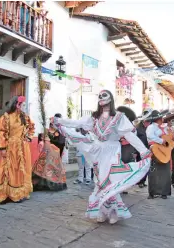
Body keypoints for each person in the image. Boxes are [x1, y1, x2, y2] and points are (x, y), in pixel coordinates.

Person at [52, 90, 151, 224]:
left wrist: (143, 151)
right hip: (98, 151)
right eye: (99, 97)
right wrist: (60, 121)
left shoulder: (119, 117)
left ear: (111, 99)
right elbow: (76, 123)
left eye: (104, 96)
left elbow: (129, 135)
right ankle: (103, 211)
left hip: (113, 150)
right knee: (100, 182)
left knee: (110, 180)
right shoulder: (93, 117)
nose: (101, 99)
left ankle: (113, 210)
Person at [0, 96, 35, 203]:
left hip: (23, 146)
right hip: (11, 147)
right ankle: (8, 194)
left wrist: (28, 137)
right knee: (10, 169)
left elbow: (32, 127)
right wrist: (3, 148)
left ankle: (21, 193)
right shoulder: (6, 117)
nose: (24, 107)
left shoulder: (25, 116)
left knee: (23, 169)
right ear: (16, 104)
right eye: (22, 105)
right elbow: (2, 133)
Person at [146, 110, 171, 199]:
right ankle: (152, 192)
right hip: (155, 150)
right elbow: (150, 136)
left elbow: (168, 138)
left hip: (164, 150)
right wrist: (161, 141)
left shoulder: (163, 128)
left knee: (165, 171)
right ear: (158, 119)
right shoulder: (151, 127)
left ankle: (164, 192)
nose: (162, 119)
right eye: (161, 118)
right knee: (153, 171)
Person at [117, 106, 137, 194]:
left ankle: (124, 186)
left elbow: (134, 139)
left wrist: (135, 152)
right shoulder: (117, 126)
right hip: (119, 148)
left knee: (127, 168)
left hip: (128, 149)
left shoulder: (132, 128)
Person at [135, 109, 152, 188]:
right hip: (139, 151)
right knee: (140, 166)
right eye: (147, 121)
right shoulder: (138, 128)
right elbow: (134, 140)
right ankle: (139, 182)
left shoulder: (150, 127)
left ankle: (143, 181)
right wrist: (134, 152)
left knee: (146, 166)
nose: (148, 123)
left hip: (148, 150)